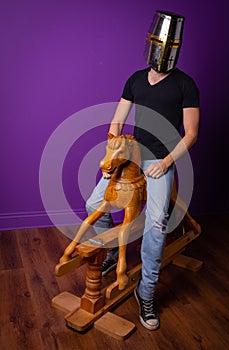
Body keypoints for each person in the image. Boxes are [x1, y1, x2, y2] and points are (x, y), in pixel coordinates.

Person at [86, 10, 200, 331]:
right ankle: (110, 253)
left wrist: (165, 163)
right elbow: (117, 121)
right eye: (156, 42)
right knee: (96, 204)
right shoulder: (135, 79)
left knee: (156, 223)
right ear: (150, 41)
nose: (160, 49)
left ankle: (146, 292)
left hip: (162, 160)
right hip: (133, 155)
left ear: (176, 47)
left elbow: (191, 132)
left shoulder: (185, 85)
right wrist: (114, 158)